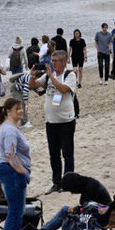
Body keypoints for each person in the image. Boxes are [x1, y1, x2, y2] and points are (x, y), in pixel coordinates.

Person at [30, 50, 77, 191]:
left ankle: (68, 182)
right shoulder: (49, 76)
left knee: (67, 153)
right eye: (52, 60)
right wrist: (32, 77)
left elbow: (63, 89)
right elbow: (35, 86)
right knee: (54, 154)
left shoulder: (70, 75)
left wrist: (51, 76)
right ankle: (57, 182)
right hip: (51, 121)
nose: (53, 63)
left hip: (66, 121)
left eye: (56, 60)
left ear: (63, 61)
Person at [0, 98, 31, 230]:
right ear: (9, 111)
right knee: (16, 207)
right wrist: (23, 171)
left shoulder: (10, 127)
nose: (21, 111)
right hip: (11, 170)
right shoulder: (9, 130)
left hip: (9, 169)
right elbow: (10, 155)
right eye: (18, 108)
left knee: (17, 207)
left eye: (21, 108)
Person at [36, 171, 111, 230]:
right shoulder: (89, 184)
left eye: (71, 190)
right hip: (99, 216)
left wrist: (76, 209)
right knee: (67, 211)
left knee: (65, 210)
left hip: (100, 219)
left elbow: (89, 209)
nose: (72, 193)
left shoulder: (91, 188)